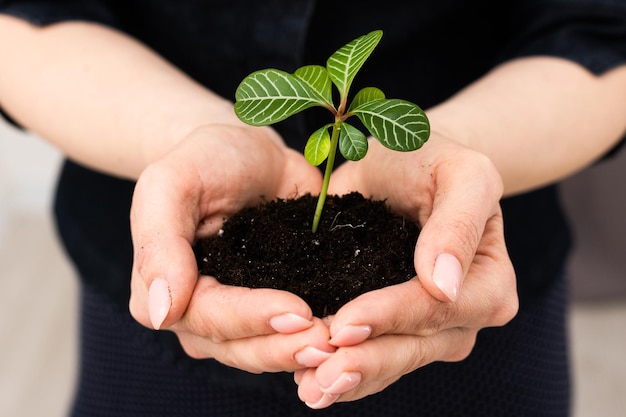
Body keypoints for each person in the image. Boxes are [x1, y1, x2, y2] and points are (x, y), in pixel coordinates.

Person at [0, 1, 625, 415]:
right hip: (154, 292)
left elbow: (602, 29)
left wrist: (454, 159)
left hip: (472, 314)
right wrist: (186, 134)